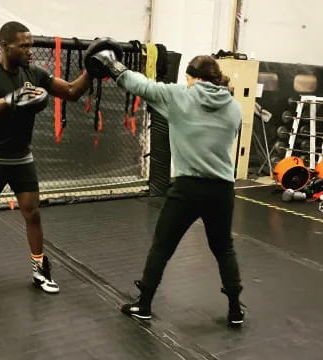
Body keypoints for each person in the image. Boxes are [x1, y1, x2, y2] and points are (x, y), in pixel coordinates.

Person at [85, 43, 244, 326]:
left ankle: (144, 305)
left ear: (193, 77)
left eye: (188, 79)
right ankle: (235, 309)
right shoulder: (234, 108)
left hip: (188, 188)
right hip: (221, 190)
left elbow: (140, 85)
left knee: (162, 246)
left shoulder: (180, 96)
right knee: (224, 248)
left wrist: (112, 63)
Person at [0, 21, 91, 294]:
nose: (31, 50)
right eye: (25, 45)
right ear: (6, 46)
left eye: (32, 44)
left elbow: (71, 92)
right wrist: (10, 100)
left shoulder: (34, 72)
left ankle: (40, 269)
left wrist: (93, 70)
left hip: (21, 158)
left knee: (32, 214)